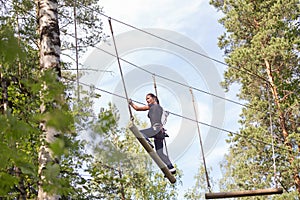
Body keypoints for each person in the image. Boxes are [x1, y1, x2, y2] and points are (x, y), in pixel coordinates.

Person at [129, 93, 176, 174]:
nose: (147, 101)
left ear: (154, 98)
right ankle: (171, 168)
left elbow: (137, 108)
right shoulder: (160, 108)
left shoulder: (153, 106)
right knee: (160, 153)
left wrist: (131, 103)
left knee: (140, 133)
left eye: (148, 98)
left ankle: (148, 142)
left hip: (155, 129)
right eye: (146, 99)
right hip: (160, 133)